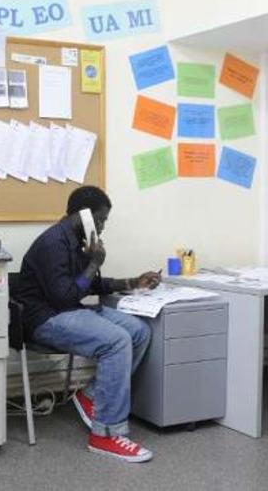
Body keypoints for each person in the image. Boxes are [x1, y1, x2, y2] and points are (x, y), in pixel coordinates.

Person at [14, 185, 161, 463]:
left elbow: (91, 285)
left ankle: (91, 395)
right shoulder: (52, 243)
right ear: (84, 216)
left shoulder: (78, 240)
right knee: (117, 341)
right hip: (45, 319)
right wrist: (94, 261)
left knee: (139, 331)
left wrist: (133, 282)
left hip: (69, 311)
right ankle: (105, 434)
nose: (103, 227)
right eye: (101, 219)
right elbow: (64, 295)